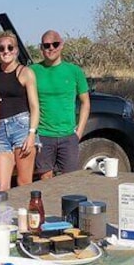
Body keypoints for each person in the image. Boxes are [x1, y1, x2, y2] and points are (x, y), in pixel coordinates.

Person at [31, 30, 90, 179]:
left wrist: (79, 132)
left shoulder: (74, 71)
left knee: (70, 181)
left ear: (61, 45)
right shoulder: (32, 71)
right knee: (46, 180)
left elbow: (85, 103)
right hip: (43, 135)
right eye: (46, 45)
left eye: (55, 44)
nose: (51, 48)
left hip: (68, 136)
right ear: (41, 48)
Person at [0, 31, 40, 191]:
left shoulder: (25, 72)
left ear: (16, 50)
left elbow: (34, 106)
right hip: (1, 131)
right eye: (1, 48)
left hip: (21, 127)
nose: (6, 51)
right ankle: (3, 216)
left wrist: (31, 134)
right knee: (0, 187)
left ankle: (27, 216)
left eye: (10, 47)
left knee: (24, 183)